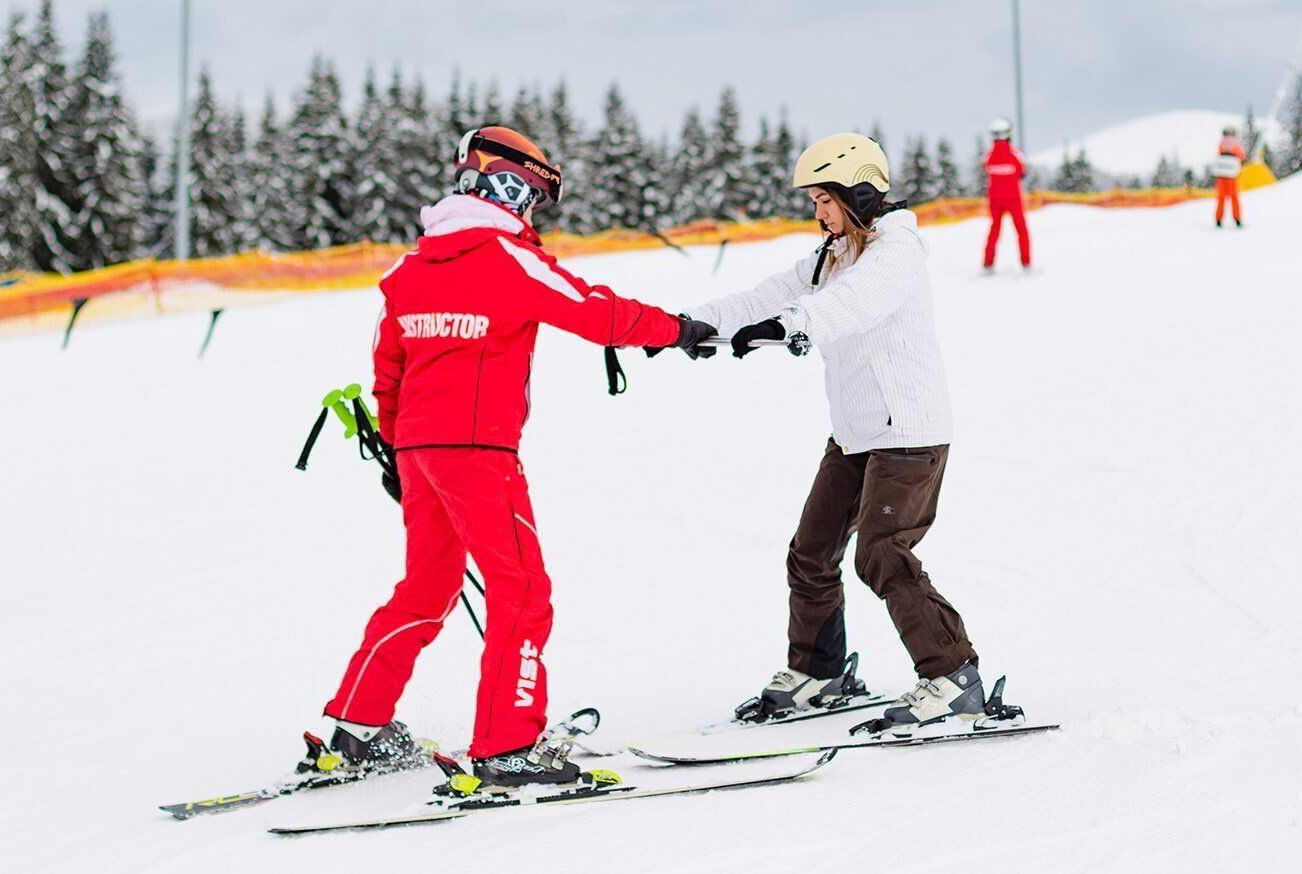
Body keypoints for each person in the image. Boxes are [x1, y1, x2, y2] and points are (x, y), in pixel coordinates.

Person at [302, 127, 714, 797]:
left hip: (421, 451)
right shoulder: (504, 258)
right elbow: (593, 312)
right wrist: (678, 329)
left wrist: (400, 451)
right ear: (513, 186)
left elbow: (389, 368)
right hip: (478, 451)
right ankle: (509, 744)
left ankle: (356, 727)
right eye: (536, 198)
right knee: (520, 589)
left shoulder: (410, 271)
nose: (533, 215)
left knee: (426, 591)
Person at [684, 133, 990, 734]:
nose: (817, 213)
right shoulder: (835, 252)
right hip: (855, 432)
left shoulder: (896, 249)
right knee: (811, 551)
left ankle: (954, 677)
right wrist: (698, 324)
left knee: (881, 554)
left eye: (824, 200)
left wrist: (790, 325)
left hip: (908, 429)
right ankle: (821, 674)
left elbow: (854, 304)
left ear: (859, 191)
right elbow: (772, 292)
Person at [982, 117, 1031, 272]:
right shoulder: (1016, 154)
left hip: (995, 200)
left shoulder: (988, 156)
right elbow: (1022, 172)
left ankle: (988, 264)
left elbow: (986, 170)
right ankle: (1026, 263)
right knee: (1021, 231)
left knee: (994, 231)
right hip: (1013, 199)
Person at [1213, 125, 1246, 228]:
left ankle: (1218, 219)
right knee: (1234, 197)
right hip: (1231, 175)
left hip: (1220, 175)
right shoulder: (1236, 144)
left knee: (1221, 198)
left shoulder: (1221, 144)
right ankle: (1237, 219)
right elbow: (1242, 156)